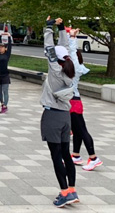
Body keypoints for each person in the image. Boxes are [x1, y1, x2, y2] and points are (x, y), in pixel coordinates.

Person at [41, 16, 79, 207]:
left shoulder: (55, 71)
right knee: (66, 154)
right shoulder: (70, 68)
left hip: (52, 116)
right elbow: (63, 48)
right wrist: (62, 28)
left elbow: (49, 48)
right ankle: (72, 189)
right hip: (65, 117)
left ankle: (64, 193)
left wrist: (49, 27)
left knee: (56, 156)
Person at [67, 28, 103, 171]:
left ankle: (93, 158)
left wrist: (72, 38)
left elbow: (72, 51)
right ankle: (76, 155)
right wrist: (71, 38)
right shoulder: (75, 65)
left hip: (73, 101)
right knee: (77, 130)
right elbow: (72, 51)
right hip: (74, 100)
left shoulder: (75, 66)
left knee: (82, 130)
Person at [0, 33, 12, 114]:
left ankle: (5, 106)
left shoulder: (7, 55)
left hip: (5, 75)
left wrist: (8, 36)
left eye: (2, 47)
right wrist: (0, 36)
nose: (0, 48)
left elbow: (10, 46)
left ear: (5, 49)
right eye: (0, 47)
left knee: (5, 91)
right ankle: (2, 103)